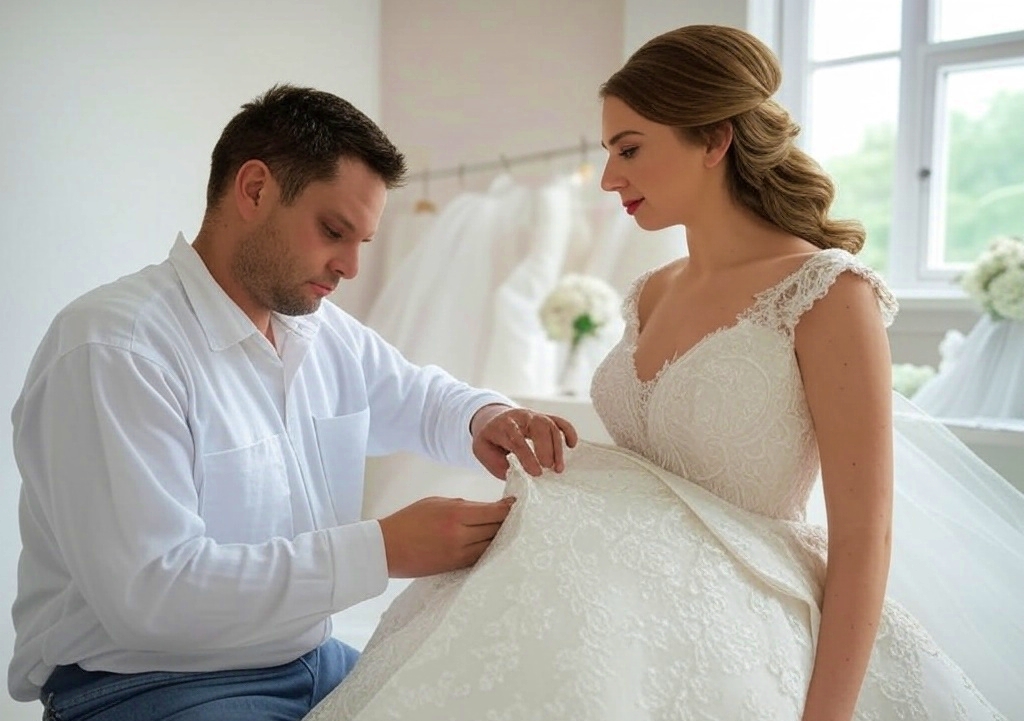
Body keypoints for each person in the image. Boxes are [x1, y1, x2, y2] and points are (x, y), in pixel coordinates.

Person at [302, 25, 1024, 721]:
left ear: (714, 139)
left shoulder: (830, 293)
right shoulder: (651, 291)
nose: (611, 176)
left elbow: (867, 538)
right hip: (618, 610)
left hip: (743, 612)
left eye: (631, 148)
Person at [8, 84, 578, 721]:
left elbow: (417, 397)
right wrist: (383, 549)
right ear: (253, 189)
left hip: (311, 661)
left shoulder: (315, 329)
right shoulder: (114, 350)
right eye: (335, 231)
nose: (352, 268)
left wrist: (485, 417)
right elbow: (152, 594)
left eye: (363, 240)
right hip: (151, 685)